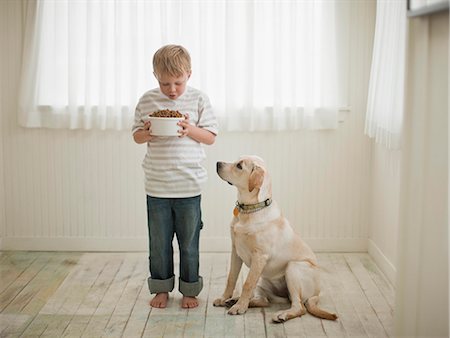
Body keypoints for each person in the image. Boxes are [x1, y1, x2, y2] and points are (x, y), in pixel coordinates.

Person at [132, 45, 218, 309]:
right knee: (158, 244)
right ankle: (161, 289)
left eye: (178, 83)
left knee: (189, 243)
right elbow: (136, 136)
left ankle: (190, 289)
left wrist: (189, 129)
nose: (171, 90)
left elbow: (211, 137)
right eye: (164, 83)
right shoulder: (147, 101)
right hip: (157, 187)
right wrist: (148, 133)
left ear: (189, 75)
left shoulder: (199, 99)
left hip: (188, 187)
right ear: (155, 76)